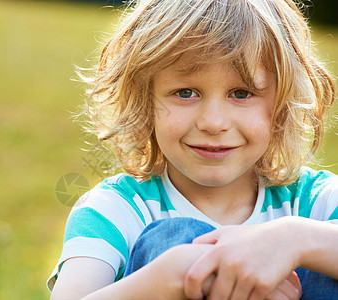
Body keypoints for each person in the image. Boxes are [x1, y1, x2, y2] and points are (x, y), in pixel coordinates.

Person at [48, 0, 338, 298]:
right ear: (145, 103)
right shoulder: (117, 209)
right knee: (175, 241)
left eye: (242, 93)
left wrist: (295, 238)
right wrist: (168, 277)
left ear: (281, 106)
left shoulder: (314, 202)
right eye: (185, 93)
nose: (213, 123)